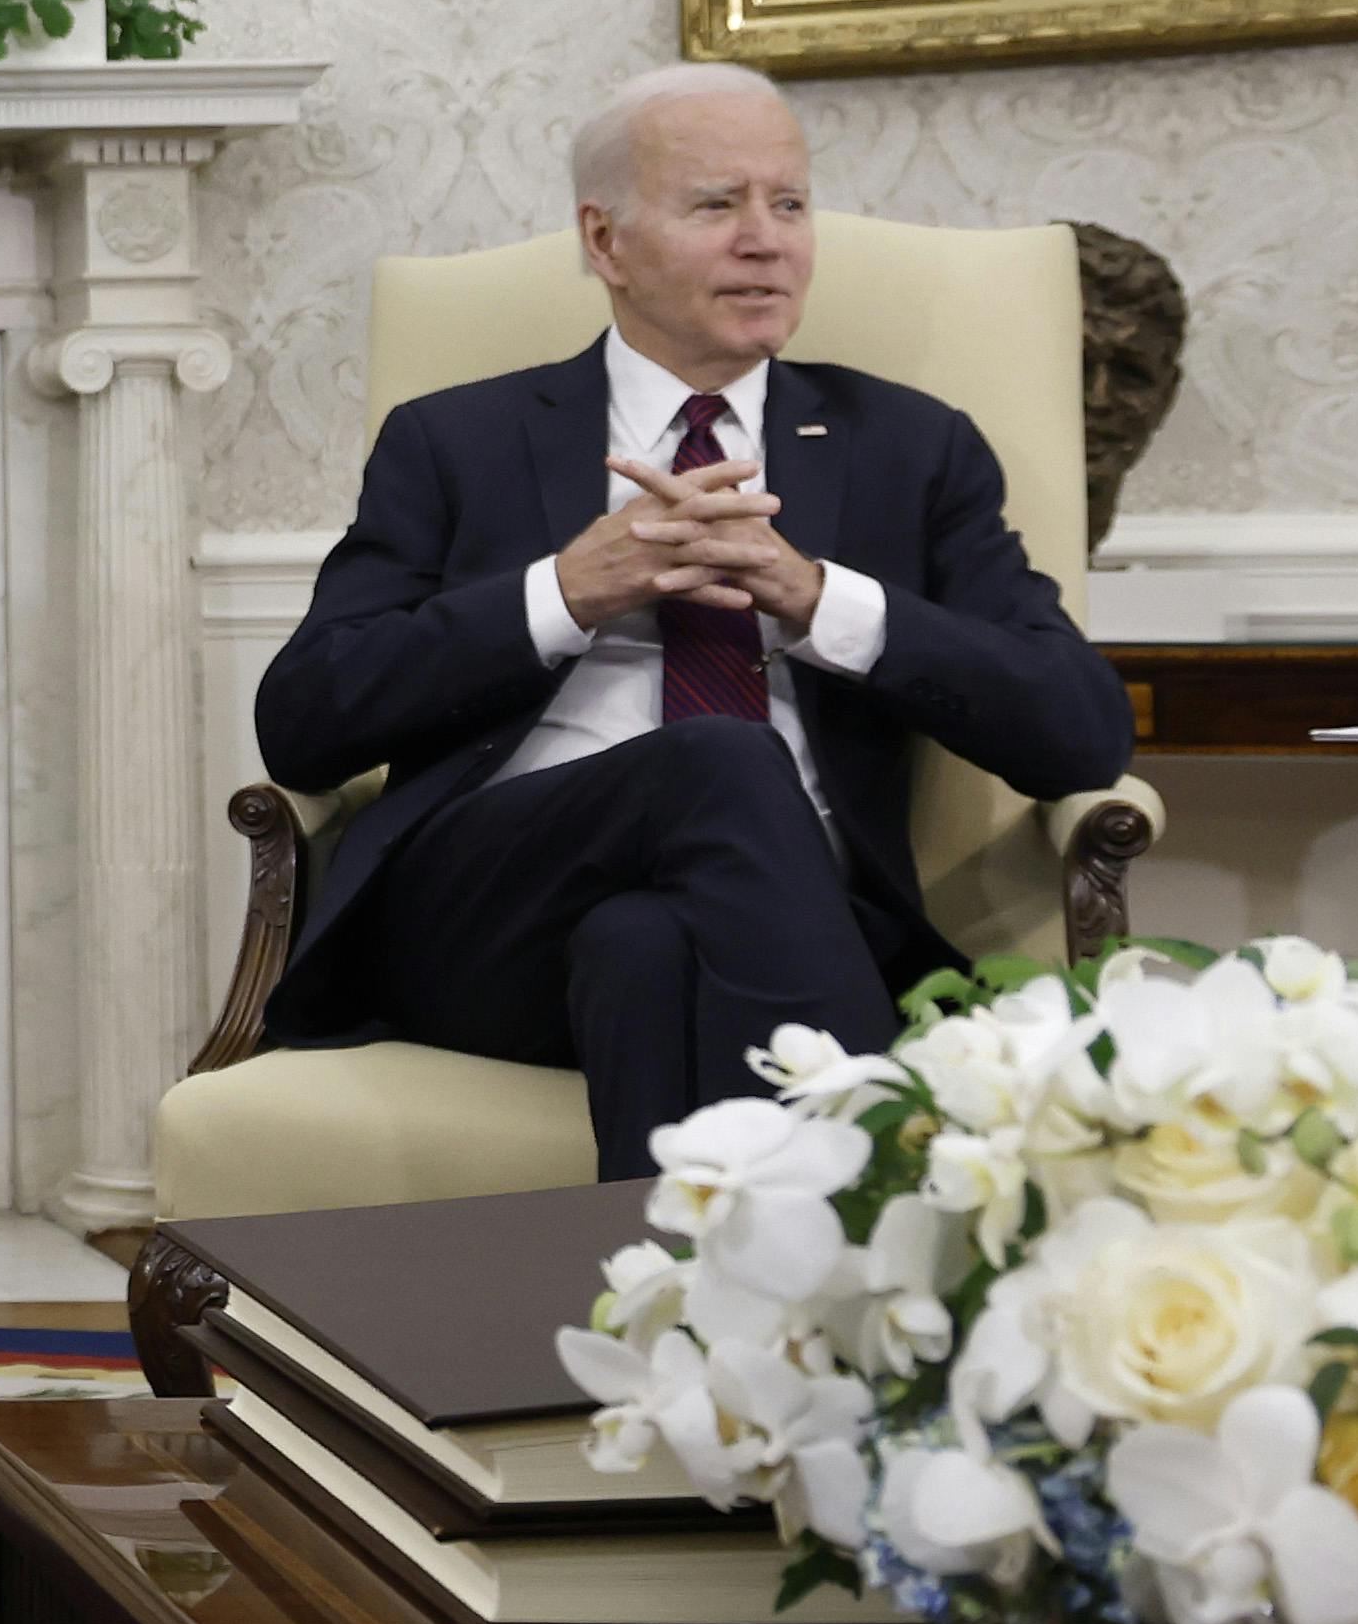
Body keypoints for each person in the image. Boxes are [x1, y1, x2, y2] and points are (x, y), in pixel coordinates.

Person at [247, 66, 1132, 1174]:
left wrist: (818, 600)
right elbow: (304, 716)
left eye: (790, 204)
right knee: (715, 757)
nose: (766, 241)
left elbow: (1078, 728)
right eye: (716, 205)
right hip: (485, 913)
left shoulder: (909, 446)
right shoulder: (457, 439)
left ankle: (658, 1321)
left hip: (789, 904)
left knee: (643, 946)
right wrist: (566, 591)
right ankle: (878, 1176)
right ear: (604, 240)